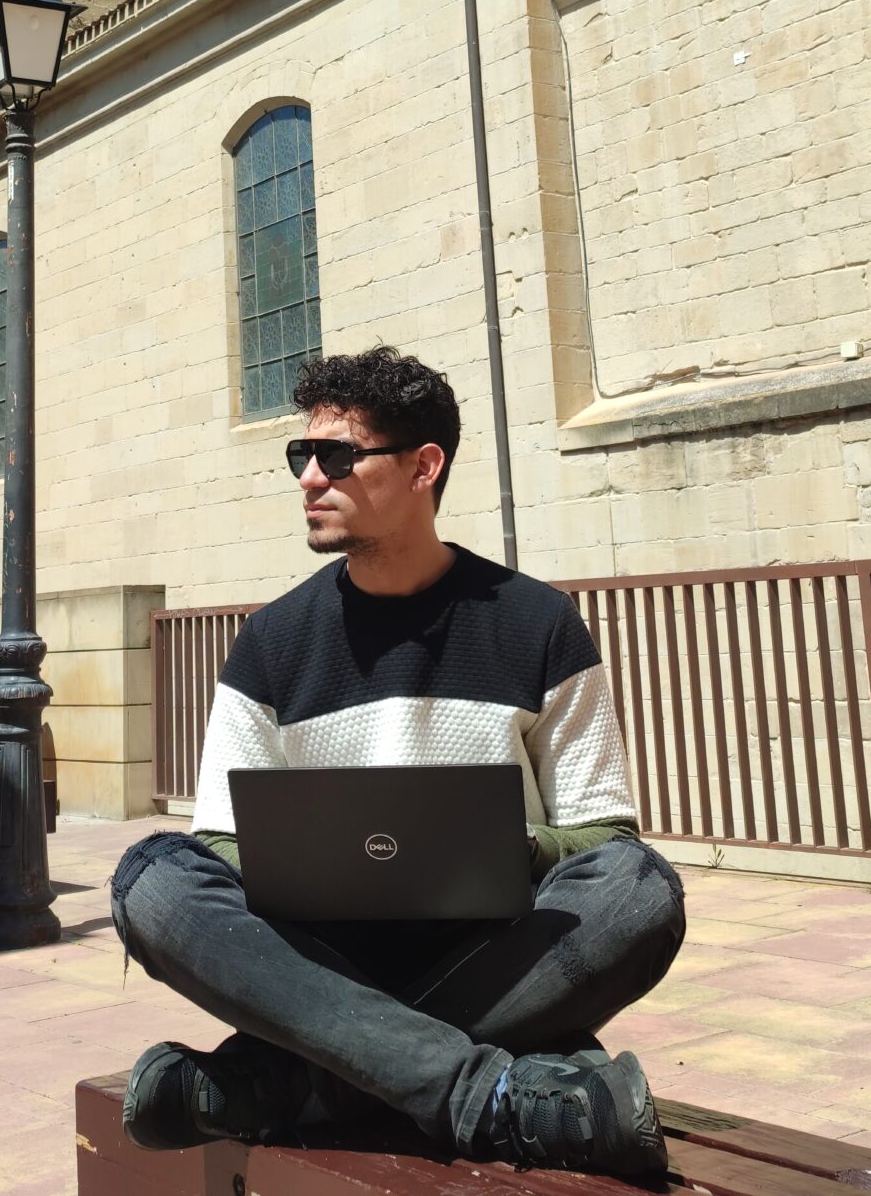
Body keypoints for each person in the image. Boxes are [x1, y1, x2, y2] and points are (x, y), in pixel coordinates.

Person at [109, 347, 685, 1178]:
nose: (309, 477)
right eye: (300, 457)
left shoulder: (538, 624)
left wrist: (510, 848)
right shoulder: (271, 643)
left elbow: (605, 834)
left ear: (423, 467)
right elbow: (220, 845)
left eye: (337, 456)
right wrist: (309, 864)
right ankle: (484, 1095)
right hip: (314, 959)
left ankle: (294, 1080)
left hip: (494, 952)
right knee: (152, 880)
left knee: (640, 891)